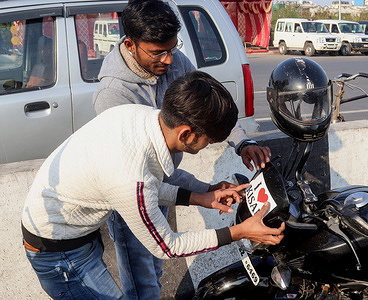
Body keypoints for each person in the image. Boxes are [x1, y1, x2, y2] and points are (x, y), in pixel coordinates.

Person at [22, 70, 285, 300]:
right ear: (186, 133)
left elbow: (149, 185)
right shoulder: (129, 175)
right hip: (59, 254)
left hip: (75, 232)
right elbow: (168, 246)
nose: (209, 145)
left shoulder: (141, 117)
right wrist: (239, 232)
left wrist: (202, 194)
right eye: (209, 140)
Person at [92, 0, 271, 298]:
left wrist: (242, 141)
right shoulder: (113, 95)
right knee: (143, 284)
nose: (170, 60)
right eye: (158, 52)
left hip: (158, 182)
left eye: (173, 49)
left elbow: (209, 100)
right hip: (128, 194)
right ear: (130, 44)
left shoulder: (171, 60)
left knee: (155, 271)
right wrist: (232, 225)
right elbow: (172, 245)